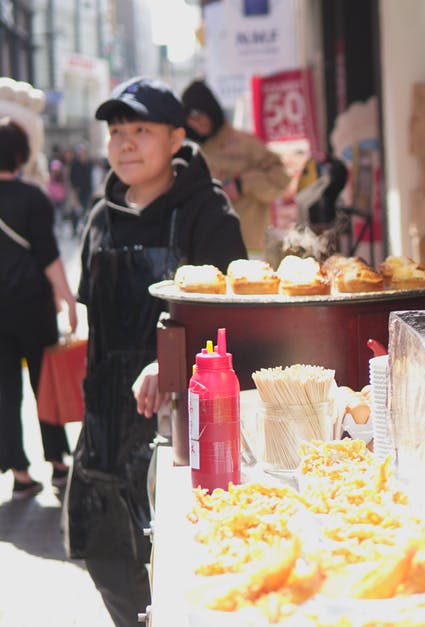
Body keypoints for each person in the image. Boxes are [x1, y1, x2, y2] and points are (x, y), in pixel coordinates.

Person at [65, 77, 246, 626]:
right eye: (116, 131)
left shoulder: (207, 214)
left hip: (181, 424)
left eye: (140, 130)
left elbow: (230, 321)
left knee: (182, 565)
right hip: (106, 422)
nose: (124, 143)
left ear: (175, 138)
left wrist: (168, 364)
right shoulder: (101, 217)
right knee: (108, 557)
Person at [0, 119, 76, 499]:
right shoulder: (33, 198)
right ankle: (59, 465)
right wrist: (69, 297)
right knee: (46, 384)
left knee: (5, 389)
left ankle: (19, 472)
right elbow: (47, 255)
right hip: (33, 306)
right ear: (20, 154)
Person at [180, 79, 289, 256]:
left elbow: (281, 179)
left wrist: (243, 184)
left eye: (199, 114)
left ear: (210, 109)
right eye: (190, 118)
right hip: (209, 247)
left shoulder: (246, 144)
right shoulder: (191, 153)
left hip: (250, 246)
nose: (196, 123)